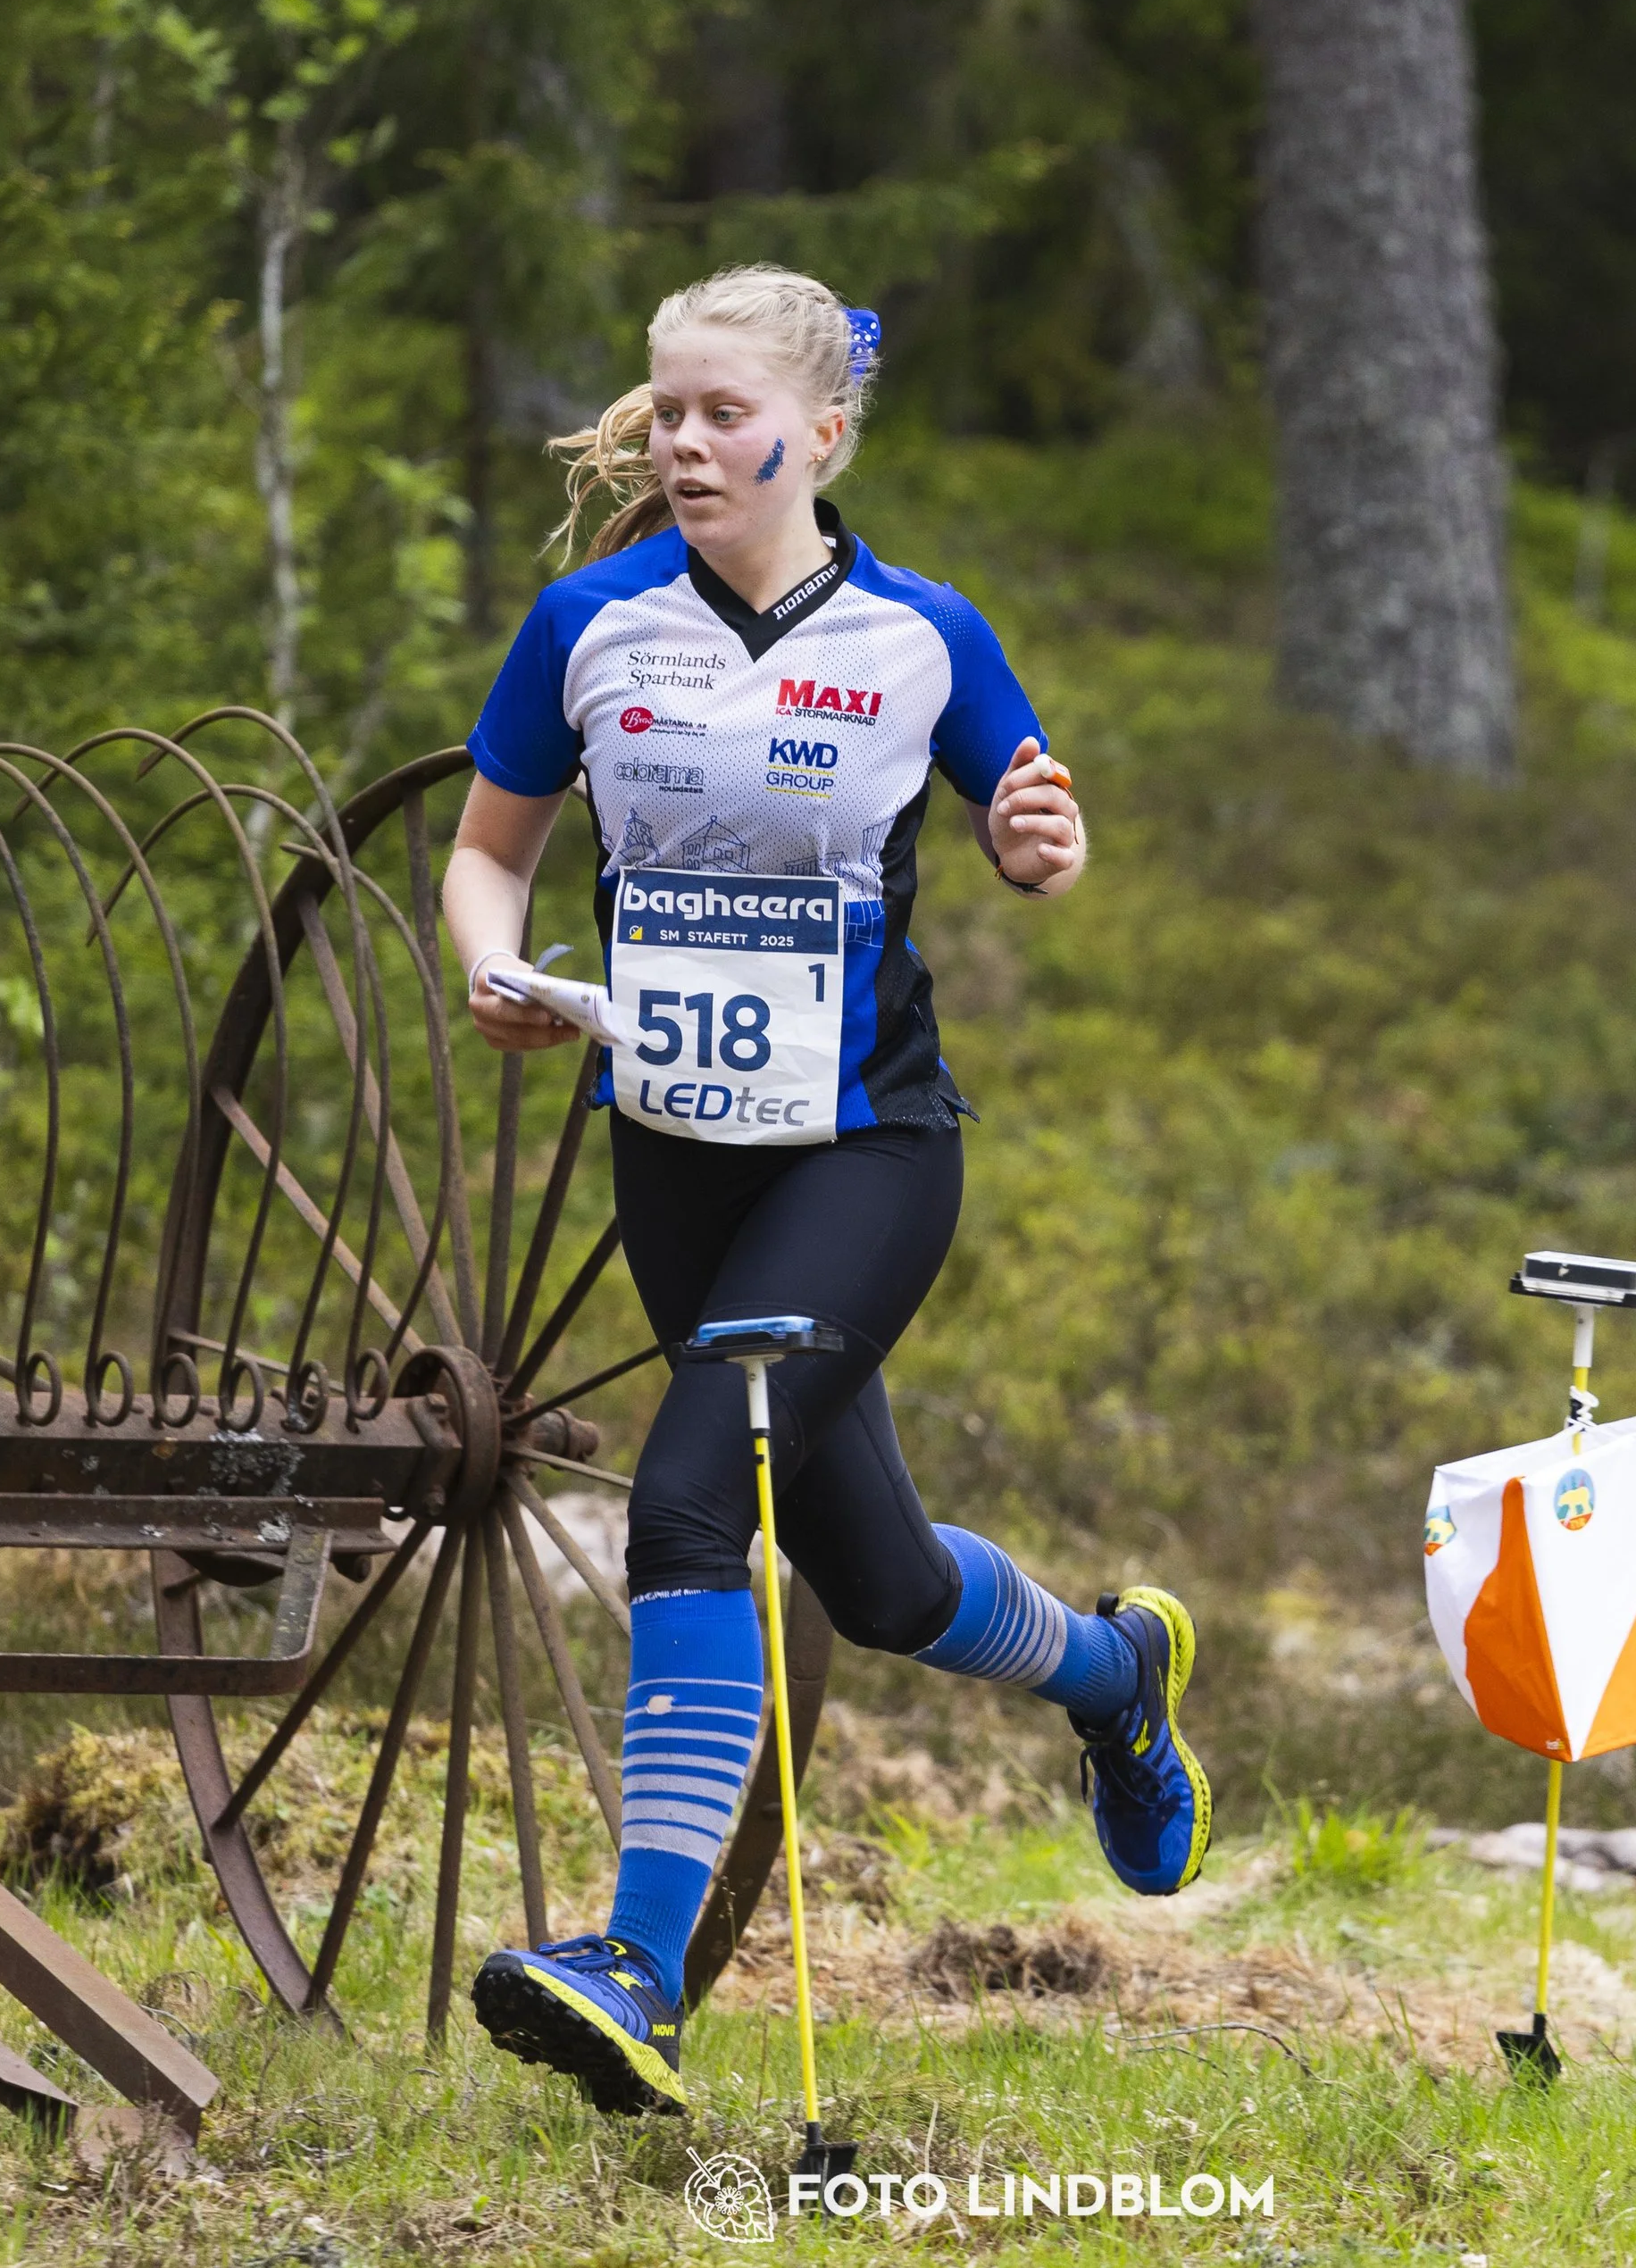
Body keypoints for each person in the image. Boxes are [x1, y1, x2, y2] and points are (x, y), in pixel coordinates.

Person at [443, 263, 1209, 2119]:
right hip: (675, 1158)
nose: (684, 440)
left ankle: (631, 1959)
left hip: (868, 1150)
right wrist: (494, 966)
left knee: (695, 1493)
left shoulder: (923, 635)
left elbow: (1034, 821)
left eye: (720, 410)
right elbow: (486, 852)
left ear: (821, 430)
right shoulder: (586, 624)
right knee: (868, 1579)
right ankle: (1113, 1672)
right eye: (664, 409)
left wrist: (1040, 835)